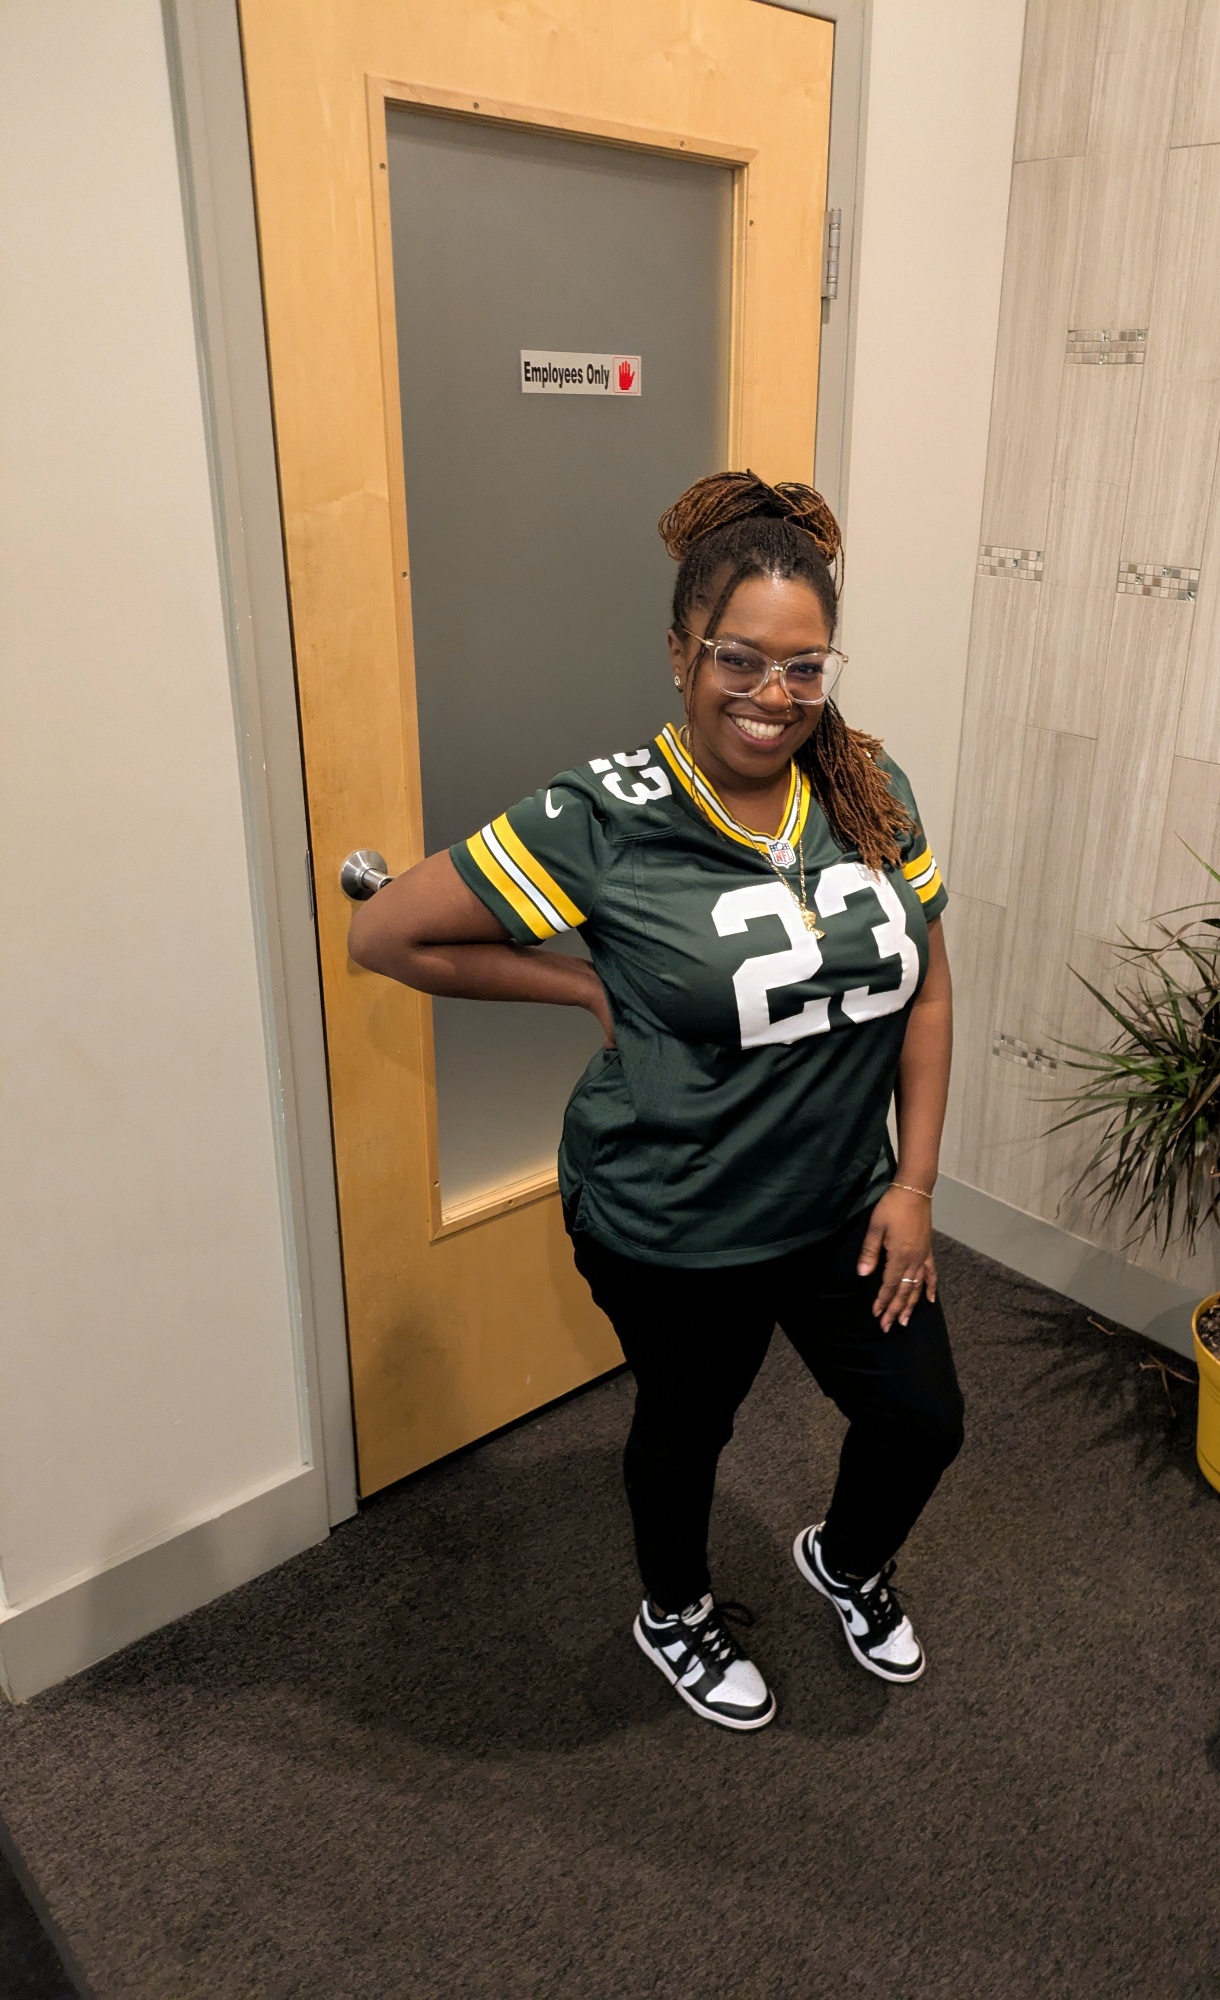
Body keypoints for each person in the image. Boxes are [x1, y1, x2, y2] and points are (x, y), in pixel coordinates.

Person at [349, 471, 963, 1732]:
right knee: (689, 1424)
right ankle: (673, 1607)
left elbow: (930, 988)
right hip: (675, 1212)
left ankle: (844, 1559)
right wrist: (578, 982)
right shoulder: (600, 815)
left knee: (921, 1418)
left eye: (804, 666)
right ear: (680, 651)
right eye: (740, 658)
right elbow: (386, 931)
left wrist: (913, 1181)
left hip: (841, 1201)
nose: (773, 694)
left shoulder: (869, 784)